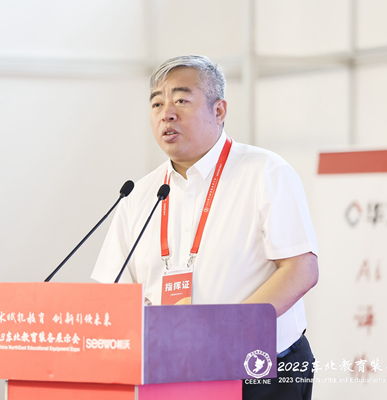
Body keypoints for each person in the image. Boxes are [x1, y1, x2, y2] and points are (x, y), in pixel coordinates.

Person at [91, 55, 319, 399]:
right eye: (157, 103)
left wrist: (224, 332)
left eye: (181, 100)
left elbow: (301, 270)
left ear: (219, 110)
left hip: (260, 373)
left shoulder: (265, 172)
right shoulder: (138, 194)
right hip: (169, 373)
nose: (166, 113)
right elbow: (113, 291)